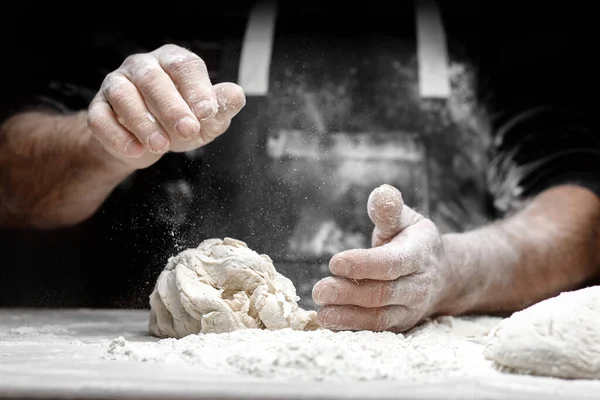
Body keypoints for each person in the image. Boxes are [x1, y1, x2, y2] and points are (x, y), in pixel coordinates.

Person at [1, 2, 600, 332]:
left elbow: (578, 201)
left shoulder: (510, 27)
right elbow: (13, 185)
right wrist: (104, 137)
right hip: (184, 371)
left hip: (443, 367)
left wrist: (459, 271)